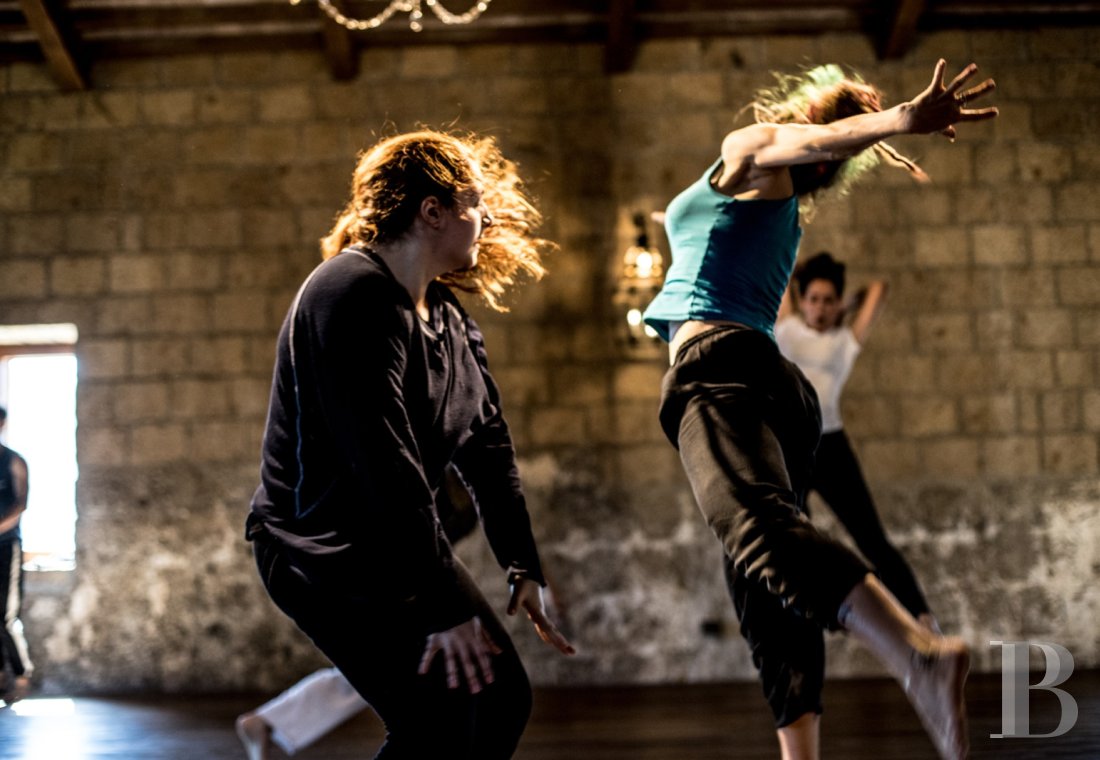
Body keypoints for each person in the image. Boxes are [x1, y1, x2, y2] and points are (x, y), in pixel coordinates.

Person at [642, 60, 996, 760]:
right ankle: (800, 752)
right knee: (763, 574)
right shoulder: (776, 215)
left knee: (756, 530)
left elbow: (804, 143)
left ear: (808, 115)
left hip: (720, 370)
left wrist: (899, 120)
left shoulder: (753, 149)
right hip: (777, 388)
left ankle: (916, 653)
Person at [245, 129, 575, 760]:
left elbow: (489, 448)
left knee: (501, 699)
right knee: (438, 718)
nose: (487, 219)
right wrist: (438, 606)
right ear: (432, 211)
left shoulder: (447, 318)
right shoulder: (347, 292)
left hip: (385, 541)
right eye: (475, 203)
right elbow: (381, 463)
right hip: (322, 549)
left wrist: (522, 563)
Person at [236, 466, 571, 760]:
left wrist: (535, 579)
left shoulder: (469, 477)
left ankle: (268, 720)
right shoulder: (418, 472)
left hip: (414, 575)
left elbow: (506, 513)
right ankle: (267, 720)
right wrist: (445, 609)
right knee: (426, 710)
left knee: (478, 696)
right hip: (381, 567)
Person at [775, 252, 940, 632]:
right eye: (814, 300)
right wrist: (800, 276)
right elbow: (781, 267)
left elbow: (879, 289)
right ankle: (802, 626)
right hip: (791, 450)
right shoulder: (785, 328)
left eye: (828, 301)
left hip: (831, 447)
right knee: (795, 543)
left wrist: (848, 305)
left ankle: (923, 620)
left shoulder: (844, 340)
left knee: (873, 539)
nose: (820, 308)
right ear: (802, 301)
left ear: (837, 304)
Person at [0, 405, 33, 706]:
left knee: (6, 615)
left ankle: (21, 675)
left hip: (5, 546)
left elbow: (20, 505)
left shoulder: (13, 461)